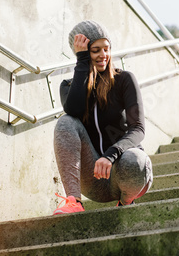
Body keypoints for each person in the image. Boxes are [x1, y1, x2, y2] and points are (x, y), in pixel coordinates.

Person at [53, 20, 153, 214]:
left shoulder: (124, 80)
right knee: (65, 121)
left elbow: (138, 128)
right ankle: (73, 201)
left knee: (136, 159)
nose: (103, 55)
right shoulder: (68, 86)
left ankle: (125, 203)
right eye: (95, 50)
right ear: (82, 53)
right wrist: (82, 62)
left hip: (125, 173)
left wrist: (111, 155)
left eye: (106, 49)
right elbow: (73, 111)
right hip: (94, 180)